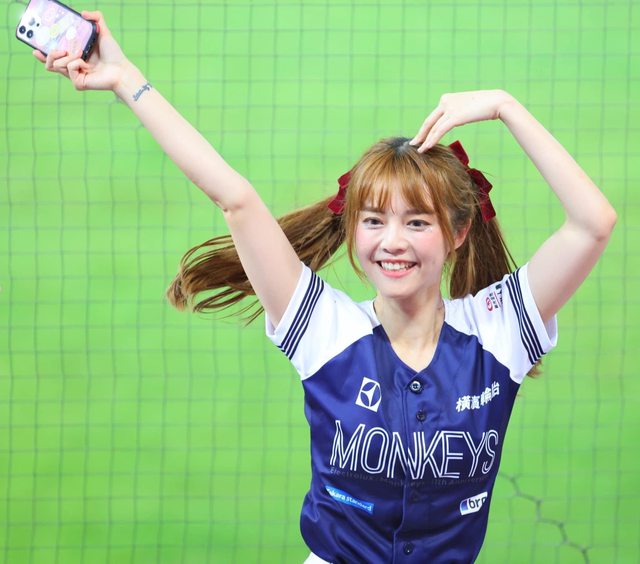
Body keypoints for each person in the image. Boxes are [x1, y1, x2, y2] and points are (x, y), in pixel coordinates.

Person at [35, 10, 616, 563]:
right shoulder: (324, 328)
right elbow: (235, 198)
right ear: (352, 227)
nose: (392, 242)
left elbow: (594, 222)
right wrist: (126, 80)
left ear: (458, 232)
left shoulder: (499, 329)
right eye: (374, 221)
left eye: (417, 222)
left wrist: (505, 107)